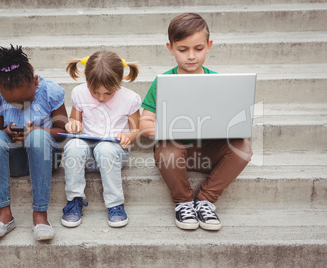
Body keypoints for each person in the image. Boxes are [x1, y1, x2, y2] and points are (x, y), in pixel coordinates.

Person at [139, 13, 253, 231]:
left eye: (198, 49)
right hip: (176, 150)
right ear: (170, 48)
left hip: (209, 150)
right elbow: (145, 121)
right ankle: (183, 203)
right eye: (183, 50)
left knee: (243, 148)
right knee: (167, 150)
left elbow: (232, 119)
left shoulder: (219, 82)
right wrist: (161, 132)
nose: (191, 56)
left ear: (209, 46)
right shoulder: (163, 82)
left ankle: (205, 201)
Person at [0, 45, 68, 240]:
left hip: (47, 157)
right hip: (16, 162)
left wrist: (39, 131)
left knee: (37, 137)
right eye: (12, 103)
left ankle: (40, 216)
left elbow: (63, 132)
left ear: (35, 81)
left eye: (25, 100)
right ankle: (4, 215)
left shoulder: (49, 91)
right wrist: (6, 132)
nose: (19, 106)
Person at [61, 51, 141, 228]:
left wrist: (127, 136)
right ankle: (74, 200)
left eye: (108, 93)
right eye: (95, 92)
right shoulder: (79, 93)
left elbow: (136, 130)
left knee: (104, 149)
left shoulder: (130, 99)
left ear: (119, 83)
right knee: (73, 146)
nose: (101, 98)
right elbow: (75, 120)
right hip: (86, 157)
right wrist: (72, 125)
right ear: (87, 81)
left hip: (113, 154)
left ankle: (115, 204)